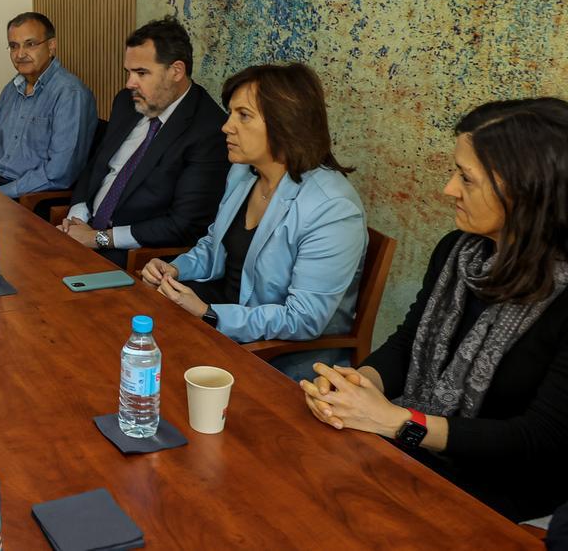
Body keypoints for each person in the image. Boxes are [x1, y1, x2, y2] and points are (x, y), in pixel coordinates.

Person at [300, 97, 568, 523]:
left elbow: (540, 439)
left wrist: (399, 422)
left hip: (505, 491)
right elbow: (409, 342)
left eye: (466, 177)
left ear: (527, 190)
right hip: (417, 448)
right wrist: (357, 384)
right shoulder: (458, 253)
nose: (448, 189)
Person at [141, 63, 367, 379]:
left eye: (243, 116)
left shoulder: (332, 209)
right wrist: (175, 268)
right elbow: (212, 245)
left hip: (279, 357)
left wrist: (208, 314)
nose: (226, 126)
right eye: (231, 113)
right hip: (223, 325)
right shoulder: (244, 173)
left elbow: (304, 319)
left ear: (285, 123)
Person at [58, 17, 227, 267]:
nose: (129, 83)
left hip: (132, 256)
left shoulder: (208, 130)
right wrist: (77, 216)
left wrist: (99, 239)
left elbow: (182, 225)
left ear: (176, 71)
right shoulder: (127, 102)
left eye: (141, 73)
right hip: (82, 233)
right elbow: (97, 165)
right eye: (129, 72)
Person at [0, 12, 97, 198]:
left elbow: (60, 173)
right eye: (14, 46)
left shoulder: (70, 95)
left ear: (51, 46)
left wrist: (0, 194)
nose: (20, 54)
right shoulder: (11, 88)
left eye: (30, 44)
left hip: (30, 199)